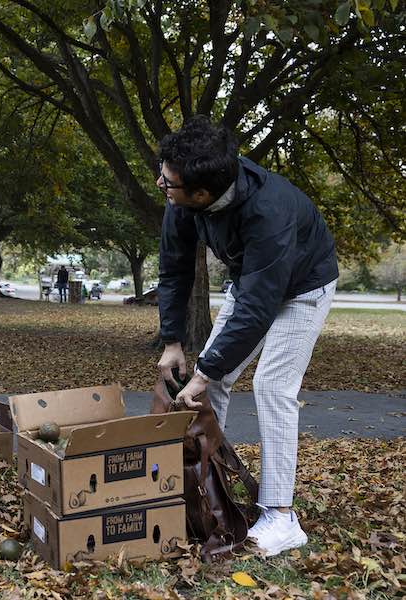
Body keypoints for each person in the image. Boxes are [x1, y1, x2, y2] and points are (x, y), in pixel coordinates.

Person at [154, 116, 338, 557]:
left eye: (169, 182)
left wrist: (206, 368)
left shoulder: (269, 211)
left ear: (202, 193)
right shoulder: (182, 196)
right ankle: (206, 494)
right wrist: (173, 341)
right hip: (251, 281)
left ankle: (281, 516)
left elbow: (258, 309)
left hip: (303, 287)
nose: (161, 184)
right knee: (207, 383)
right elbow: (174, 269)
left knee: (271, 385)